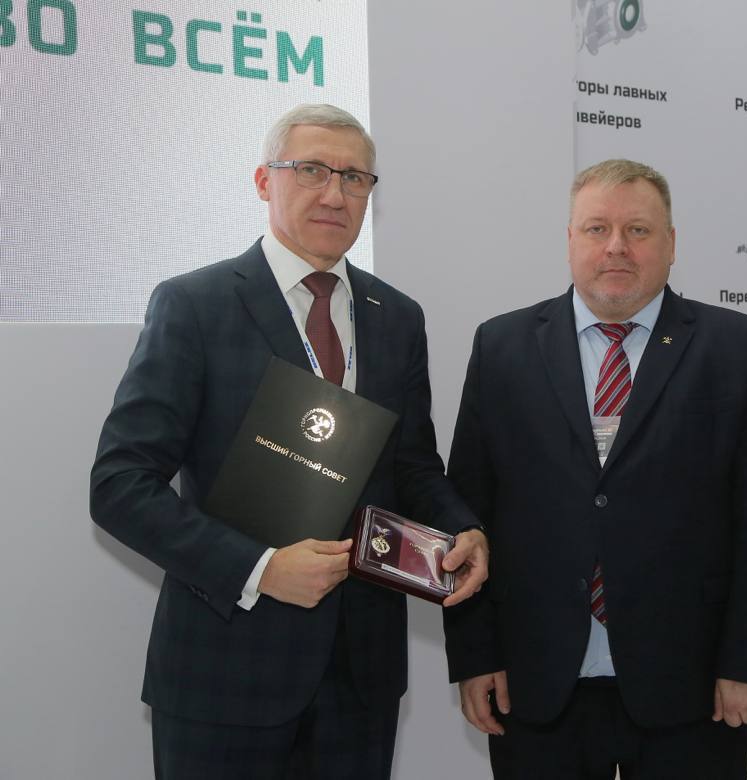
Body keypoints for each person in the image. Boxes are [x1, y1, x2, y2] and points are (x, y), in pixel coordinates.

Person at [90, 103, 489, 779]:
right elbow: (119, 486)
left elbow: (413, 464)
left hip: (360, 679)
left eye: (355, 178)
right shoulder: (195, 304)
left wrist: (461, 527)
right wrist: (260, 569)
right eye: (311, 170)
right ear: (262, 181)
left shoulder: (397, 316)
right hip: (225, 673)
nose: (334, 194)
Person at [442, 158, 747, 779]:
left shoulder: (734, 347)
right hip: (536, 684)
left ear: (671, 243)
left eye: (638, 230)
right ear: (570, 240)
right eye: (596, 229)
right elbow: (469, 513)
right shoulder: (501, 347)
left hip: (694, 690)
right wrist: (475, 656)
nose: (616, 247)